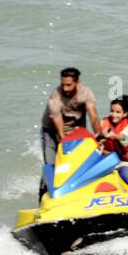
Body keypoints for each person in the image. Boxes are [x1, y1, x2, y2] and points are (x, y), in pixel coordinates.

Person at [39, 68, 99, 199]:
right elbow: (58, 124)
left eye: (69, 85)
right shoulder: (55, 97)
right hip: (52, 131)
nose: (65, 89)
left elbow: (93, 115)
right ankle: (43, 198)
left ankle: (79, 195)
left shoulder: (86, 93)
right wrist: (63, 141)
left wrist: (99, 136)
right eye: (63, 84)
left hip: (76, 130)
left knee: (80, 163)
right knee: (51, 166)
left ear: (77, 82)